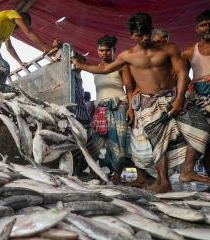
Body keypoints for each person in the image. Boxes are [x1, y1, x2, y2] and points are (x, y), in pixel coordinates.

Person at [72, 12, 210, 193]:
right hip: (148, 102)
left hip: (172, 96)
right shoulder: (127, 56)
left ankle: (187, 170)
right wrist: (79, 64)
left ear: (151, 30)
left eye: (147, 32)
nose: (145, 38)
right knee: (158, 142)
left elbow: (183, 73)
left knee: (202, 128)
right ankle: (163, 182)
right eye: (139, 34)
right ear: (132, 36)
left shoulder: (168, 48)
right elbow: (105, 68)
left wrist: (179, 99)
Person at [89, 35, 134, 184]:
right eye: (101, 50)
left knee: (118, 142)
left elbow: (129, 88)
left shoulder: (121, 66)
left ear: (114, 50)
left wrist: (131, 108)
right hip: (100, 108)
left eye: (108, 50)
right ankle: (99, 173)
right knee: (97, 143)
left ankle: (116, 175)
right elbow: (76, 59)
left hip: (118, 106)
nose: (104, 53)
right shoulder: (95, 68)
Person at [182, 10, 210, 177]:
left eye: (209, 24)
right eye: (203, 25)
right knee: (204, 140)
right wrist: (182, 99)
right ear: (196, 29)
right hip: (199, 100)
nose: (207, 28)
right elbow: (182, 79)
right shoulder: (189, 52)